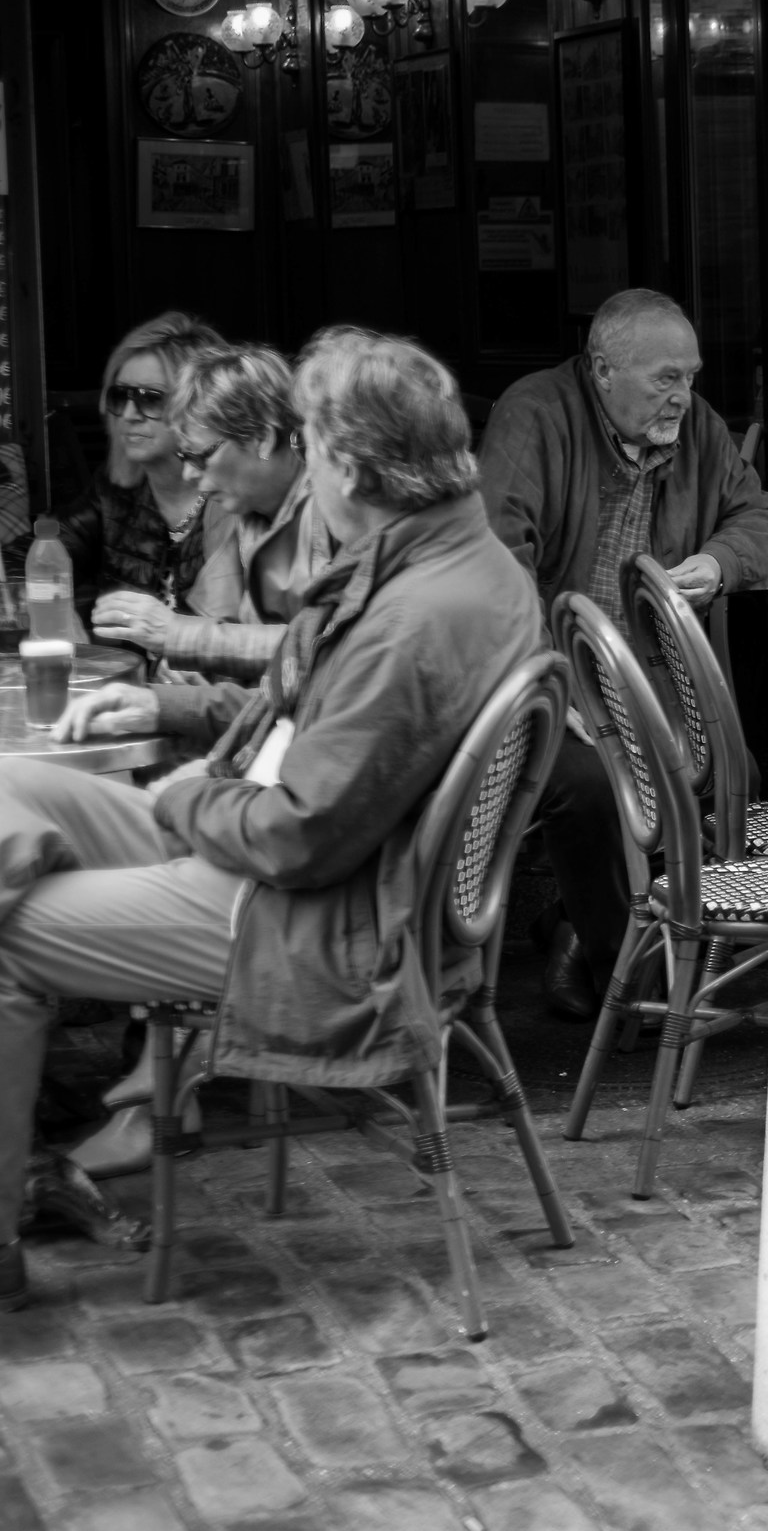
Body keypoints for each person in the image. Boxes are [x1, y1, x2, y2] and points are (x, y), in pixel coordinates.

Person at [0, 328, 541, 1312]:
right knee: (12, 786)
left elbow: (298, 834)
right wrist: (172, 710)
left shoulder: (419, 615)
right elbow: (316, 719)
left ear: (346, 463)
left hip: (301, 917)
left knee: (7, 940)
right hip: (263, 847)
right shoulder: (447, 558)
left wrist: (183, 792)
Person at [476, 287, 768, 1020]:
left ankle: (581, 931)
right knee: (586, 785)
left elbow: (764, 517)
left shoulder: (697, 428)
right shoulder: (536, 414)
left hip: (648, 675)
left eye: (691, 376)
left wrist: (717, 562)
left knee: (728, 776)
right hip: (544, 671)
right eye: (665, 378)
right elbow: (496, 559)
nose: (683, 396)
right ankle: (634, 979)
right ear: (603, 369)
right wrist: (549, 676)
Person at [92, 342, 336, 683]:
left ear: (261, 439)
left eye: (201, 457)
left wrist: (178, 635)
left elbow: (330, 648)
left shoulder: (336, 507)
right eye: (184, 458)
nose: (190, 474)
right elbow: (213, 618)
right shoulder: (241, 510)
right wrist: (180, 674)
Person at [28, 313, 230, 618]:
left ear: (199, 405)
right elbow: (31, 554)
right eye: (120, 396)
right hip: (130, 666)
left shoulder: (236, 500)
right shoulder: (114, 492)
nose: (129, 414)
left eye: (151, 399)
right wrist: (60, 614)